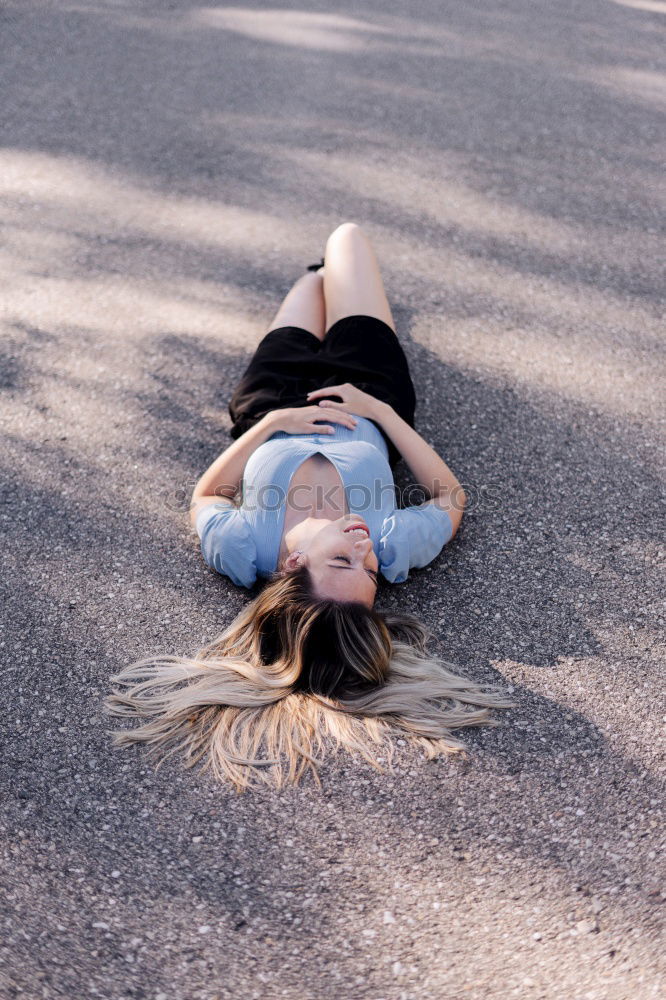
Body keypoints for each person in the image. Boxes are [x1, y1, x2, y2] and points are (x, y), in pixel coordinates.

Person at [105, 223, 513, 790]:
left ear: (294, 567)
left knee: (314, 284)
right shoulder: (393, 548)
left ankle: (318, 278)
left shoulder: (244, 552)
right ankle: (335, 278)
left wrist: (272, 423)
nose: (364, 550)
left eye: (345, 562)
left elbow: (206, 495)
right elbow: (451, 498)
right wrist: (385, 414)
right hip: (370, 392)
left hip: (271, 396)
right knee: (347, 236)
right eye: (369, 571)